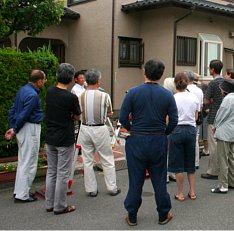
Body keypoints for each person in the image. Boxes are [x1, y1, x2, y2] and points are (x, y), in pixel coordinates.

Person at [120, 59, 177, 226]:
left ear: (145, 72)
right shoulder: (167, 95)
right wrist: (164, 133)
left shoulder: (132, 92)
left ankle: (132, 215)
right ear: (160, 75)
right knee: (159, 178)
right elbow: (174, 120)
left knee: (135, 178)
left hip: (136, 139)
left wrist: (132, 129)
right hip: (158, 139)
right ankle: (163, 214)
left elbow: (123, 117)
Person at [77, 69, 120, 197]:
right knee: (107, 158)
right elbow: (110, 113)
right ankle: (112, 188)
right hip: (100, 128)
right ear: (98, 81)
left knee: (87, 159)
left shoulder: (81, 96)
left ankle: (91, 190)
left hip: (84, 128)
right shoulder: (105, 96)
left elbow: (78, 112)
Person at [45, 63, 81, 214]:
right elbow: (78, 116)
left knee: (51, 171)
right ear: (72, 78)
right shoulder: (71, 97)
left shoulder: (49, 91)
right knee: (62, 173)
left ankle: (50, 204)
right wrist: (70, 115)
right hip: (64, 138)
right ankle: (60, 206)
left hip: (50, 137)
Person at [5, 70, 45, 203]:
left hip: (22, 129)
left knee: (23, 161)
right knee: (30, 162)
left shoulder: (22, 90)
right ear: (39, 81)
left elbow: (13, 109)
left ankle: (20, 191)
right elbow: (25, 114)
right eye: (43, 80)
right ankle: (23, 194)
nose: (44, 82)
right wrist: (15, 129)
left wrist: (13, 127)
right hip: (30, 128)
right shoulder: (33, 95)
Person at [169, 72, 200, 201]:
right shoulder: (194, 98)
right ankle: (192, 192)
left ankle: (180, 193)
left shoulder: (173, 98)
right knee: (190, 162)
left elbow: (168, 118)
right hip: (191, 130)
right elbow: (196, 116)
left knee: (178, 164)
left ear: (176, 84)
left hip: (177, 129)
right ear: (187, 83)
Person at [210, 79, 234, 194]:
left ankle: (223, 185)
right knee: (231, 158)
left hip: (224, 133)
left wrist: (214, 126)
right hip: (232, 132)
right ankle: (233, 182)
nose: (220, 90)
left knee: (223, 159)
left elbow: (220, 115)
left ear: (224, 89)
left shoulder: (227, 100)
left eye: (221, 88)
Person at [201, 59, 225, 180]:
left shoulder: (213, 84)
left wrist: (212, 100)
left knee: (213, 144)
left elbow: (205, 100)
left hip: (214, 115)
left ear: (212, 69)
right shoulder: (226, 81)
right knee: (223, 144)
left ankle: (213, 171)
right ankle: (223, 169)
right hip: (225, 115)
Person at [185, 71, 203, 170]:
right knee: (195, 140)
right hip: (197, 117)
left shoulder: (185, 89)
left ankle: (186, 161)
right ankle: (195, 162)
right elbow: (201, 105)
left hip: (186, 118)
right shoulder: (199, 90)